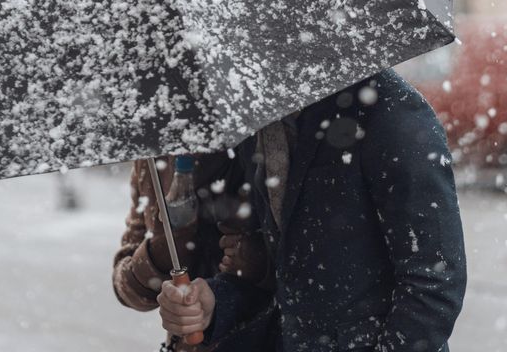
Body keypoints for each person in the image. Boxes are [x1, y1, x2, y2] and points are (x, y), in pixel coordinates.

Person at [156, 68, 468, 352]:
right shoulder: (257, 120)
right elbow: (284, 278)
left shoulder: (390, 108)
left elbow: (433, 284)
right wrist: (216, 304)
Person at [112, 151, 271, 350]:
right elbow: (128, 290)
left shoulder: (255, 143)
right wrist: (162, 251)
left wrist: (258, 260)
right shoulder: (151, 159)